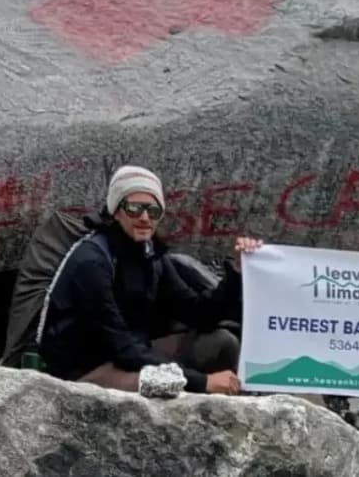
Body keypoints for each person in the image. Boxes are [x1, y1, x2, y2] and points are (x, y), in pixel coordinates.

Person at [35, 165, 260, 395]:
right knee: (161, 388)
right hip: (86, 370)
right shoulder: (91, 262)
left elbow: (199, 314)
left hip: (133, 352)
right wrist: (202, 382)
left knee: (221, 342)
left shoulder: (150, 256)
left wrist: (236, 272)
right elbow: (120, 345)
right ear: (116, 210)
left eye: (153, 211)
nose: (144, 218)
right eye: (134, 208)